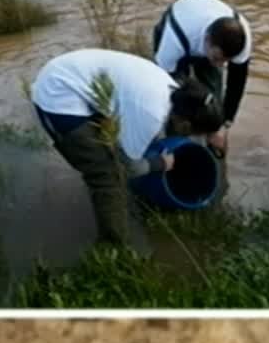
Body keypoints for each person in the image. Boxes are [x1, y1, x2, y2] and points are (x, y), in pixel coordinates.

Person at [31, 48, 224, 246]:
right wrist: (159, 163)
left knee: (114, 153)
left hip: (76, 75)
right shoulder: (151, 113)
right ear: (185, 124)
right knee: (108, 175)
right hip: (58, 94)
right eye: (193, 133)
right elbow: (127, 167)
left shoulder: (178, 94)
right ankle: (114, 247)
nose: (189, 137)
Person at [151, 0, 253, 155]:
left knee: (212, 98)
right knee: (178, 102)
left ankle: (212, 144)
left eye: (226, 61)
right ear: (206, 40)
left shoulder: (242, 39)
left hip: (206, 33)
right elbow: (165, 87)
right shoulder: (173, 41)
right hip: (181, 30)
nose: (221, 65)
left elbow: (236, 84)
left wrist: (224, 124)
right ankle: (176, 148)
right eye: (217, 58)